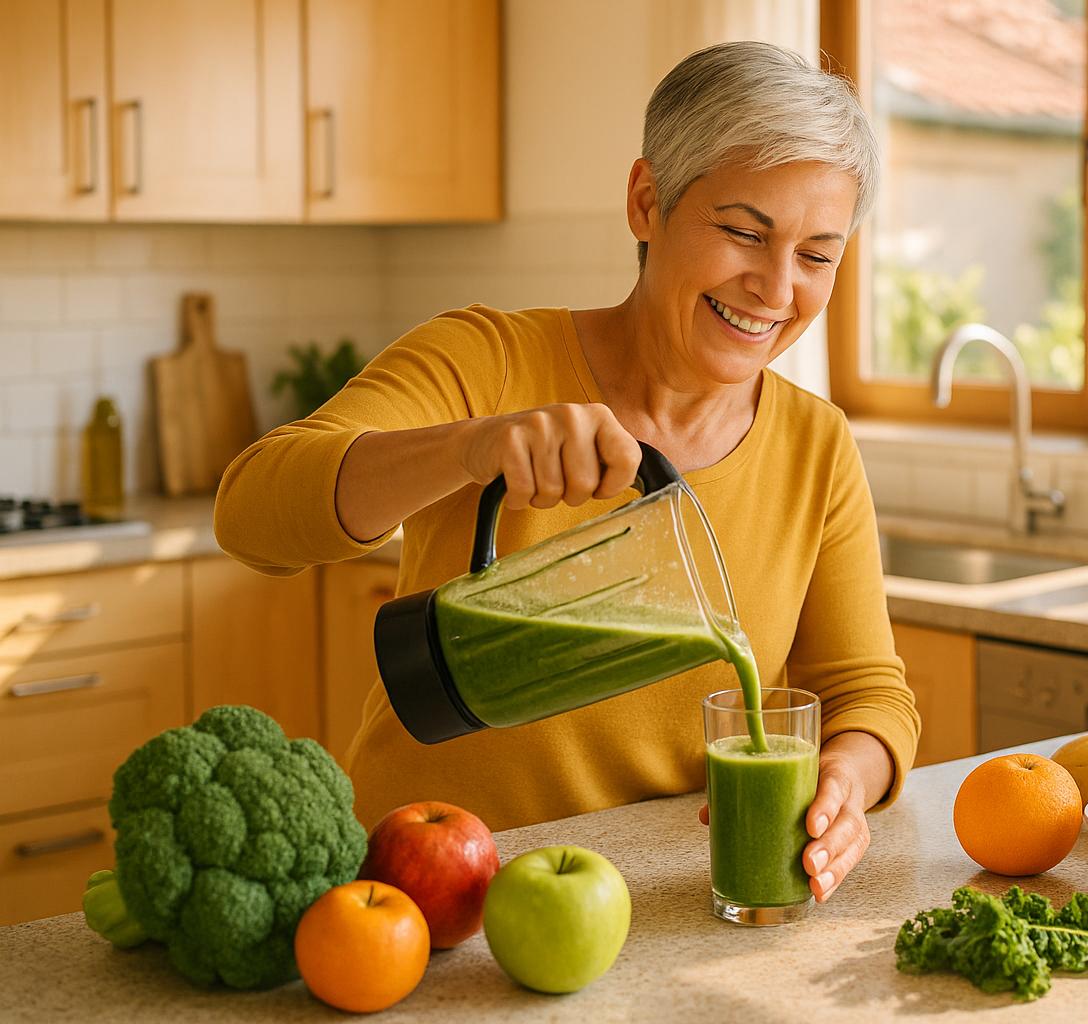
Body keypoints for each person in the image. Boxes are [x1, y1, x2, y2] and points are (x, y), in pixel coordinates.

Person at [214, 40, 919, 905]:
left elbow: (868, 694)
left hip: (656, 906)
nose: (776, 287)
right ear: (646, 202)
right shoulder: (489, 360)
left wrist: (846, 779)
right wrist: (470, 447)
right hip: (423, 902)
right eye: (743, 231)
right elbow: (251, 511)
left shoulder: (817, 445)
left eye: (818, 255)